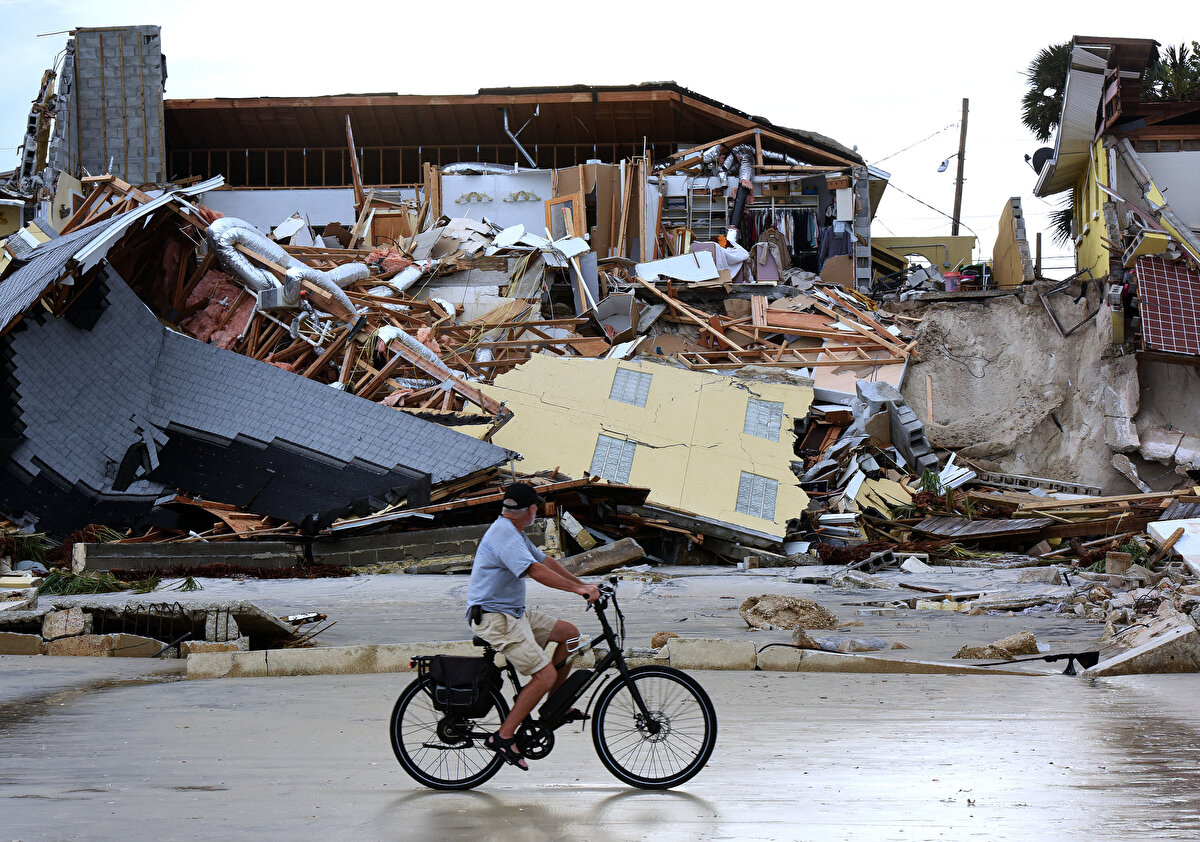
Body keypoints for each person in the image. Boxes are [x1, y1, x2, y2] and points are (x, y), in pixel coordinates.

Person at [465, 482, 600, 770]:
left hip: (512, 613)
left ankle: (556, 707)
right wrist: (578, 591)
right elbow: (535, 571)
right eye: (535, 506)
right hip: (495, 618)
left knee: (570, 635)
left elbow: (545, 560)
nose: (537, 511)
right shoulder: (505, 536)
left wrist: (584, 584)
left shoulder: (513, 532)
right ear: (529, 510)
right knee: (545, 675)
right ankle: (502, 737)